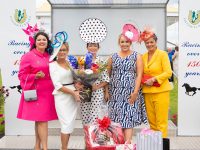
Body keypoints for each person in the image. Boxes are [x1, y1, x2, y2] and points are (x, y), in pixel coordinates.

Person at [17, 31, 58, 150]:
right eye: (39, 39)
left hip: (48, 92)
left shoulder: (49, 56)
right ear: (35, 42)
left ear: (47, 42)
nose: (41, 41)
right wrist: (34, 76)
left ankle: (37, 146)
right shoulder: (28, 56)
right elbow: (21, 75)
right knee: (42, 120)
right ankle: (45, 148)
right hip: (36, 92)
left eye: (44, 40)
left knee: (40, 120)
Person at [107, 32, 148, 143]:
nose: (124, 44)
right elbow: (107, 75)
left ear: (130, 42)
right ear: (119, 43)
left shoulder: (137, 56)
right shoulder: (112, 57)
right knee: (117, 120)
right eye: (122, 42)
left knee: (128, 119)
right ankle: (119, 144)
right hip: (115, 93)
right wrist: (106, 91)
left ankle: (127, 144)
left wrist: (135, 92)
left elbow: (139, 74)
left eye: (127, 41)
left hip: (131, 92)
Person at [140, 29, 172, 138]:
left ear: (156, 42)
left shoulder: (163, 54)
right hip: (147, 92)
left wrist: (154, 79)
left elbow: (168, 72)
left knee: (161, 123)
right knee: (152, 123)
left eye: (151, 42)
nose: (149, 44)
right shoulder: (143, 56)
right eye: (147, 43)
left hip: (161, 92)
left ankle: (162, 145)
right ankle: (155, 145)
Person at [49, 40, 80, 150]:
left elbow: (75, 78)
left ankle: (65, 146)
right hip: (62, 96)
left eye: (64, 50)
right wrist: (73, 92)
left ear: (67, 51)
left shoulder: (70, 62)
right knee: (65, 124)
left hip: (73, 95)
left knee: (70, 124)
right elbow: (57, 85)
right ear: (55, 51)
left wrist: (78, 86)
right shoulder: (52, 65)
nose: (62, 52)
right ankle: (64, 148)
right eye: (59, 50)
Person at [80, 43, 110, 125]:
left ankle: (92, 137)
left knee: (95, 117)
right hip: (85, 91)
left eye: (95, 46)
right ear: (86, 47)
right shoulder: (82, 60)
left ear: (98, 47)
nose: (92, 48)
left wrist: (98, 88)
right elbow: (78, 77)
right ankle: (87, 137)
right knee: (85, 116)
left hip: (97, 92)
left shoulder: (101, 61)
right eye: (90, 45)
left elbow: (106, 79)